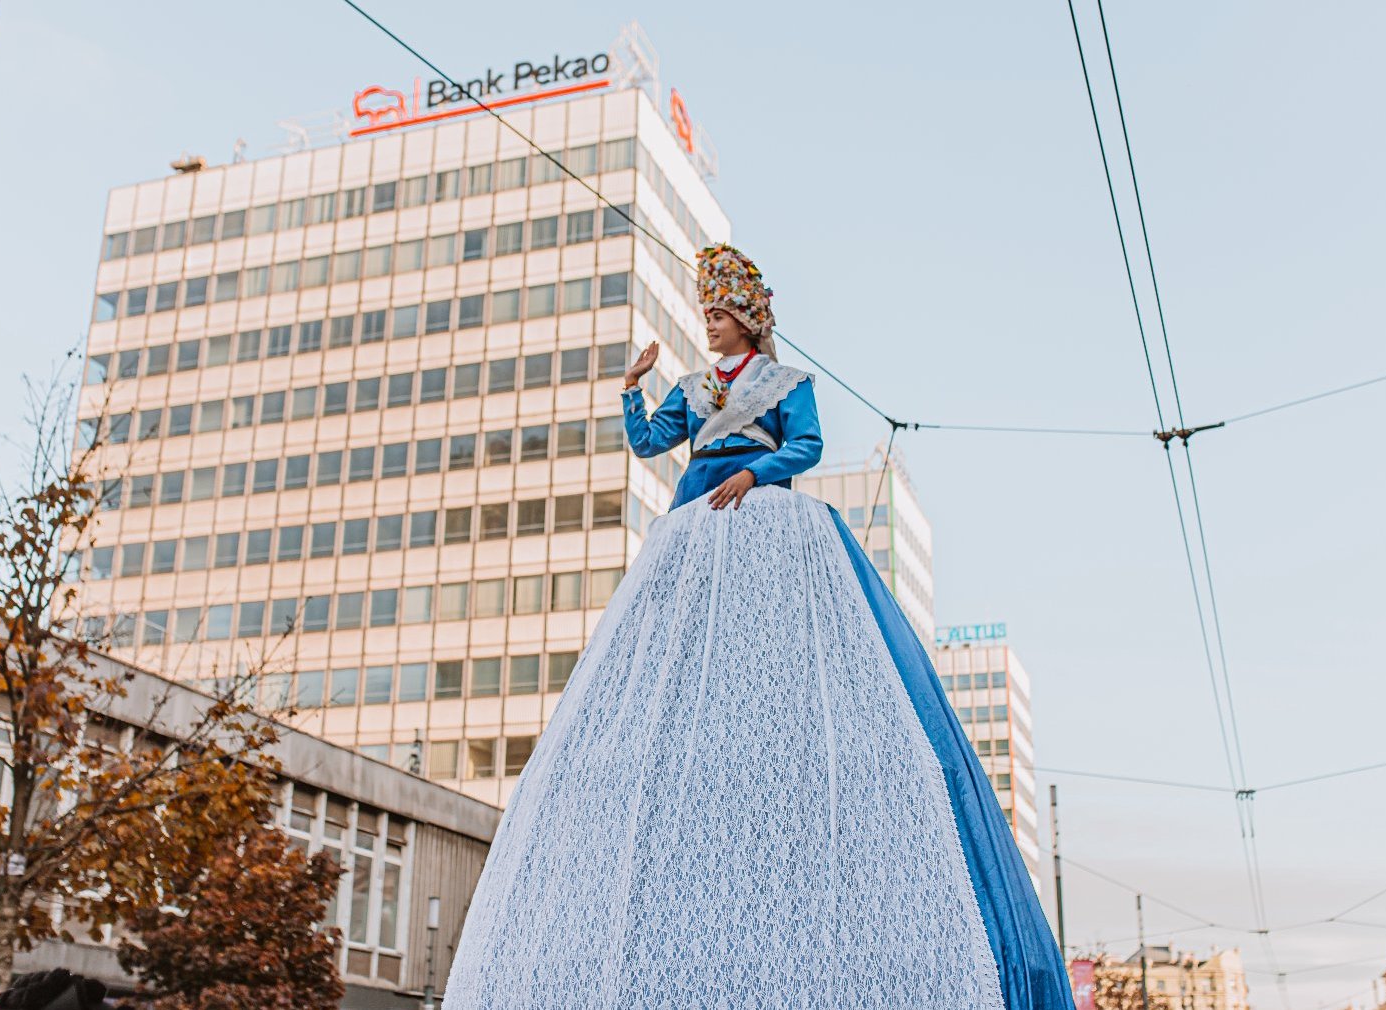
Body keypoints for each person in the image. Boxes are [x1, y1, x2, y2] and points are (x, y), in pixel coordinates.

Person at [442, 244, 1069, 1009]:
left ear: (746, 319)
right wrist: (631, 391)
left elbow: (806, 445)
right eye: (704, 312)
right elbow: (650, 445)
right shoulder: (694, 385)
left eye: (717, 312)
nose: (707, 324)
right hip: (694, 523)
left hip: (763, 513)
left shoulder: (786, 384)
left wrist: (754, 472)